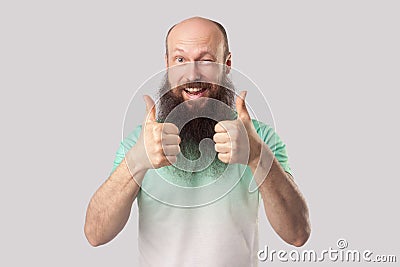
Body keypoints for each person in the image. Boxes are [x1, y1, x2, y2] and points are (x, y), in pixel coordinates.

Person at [84, 16, 311, 266]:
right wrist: (136, 161)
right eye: (180, 60)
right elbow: (95, 235)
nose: (192, 74)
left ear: (227, 64)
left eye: (206, 59)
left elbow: (298, 234)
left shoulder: (259, 138)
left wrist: (257, 155)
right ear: (167, 65)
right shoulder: (142, 142)